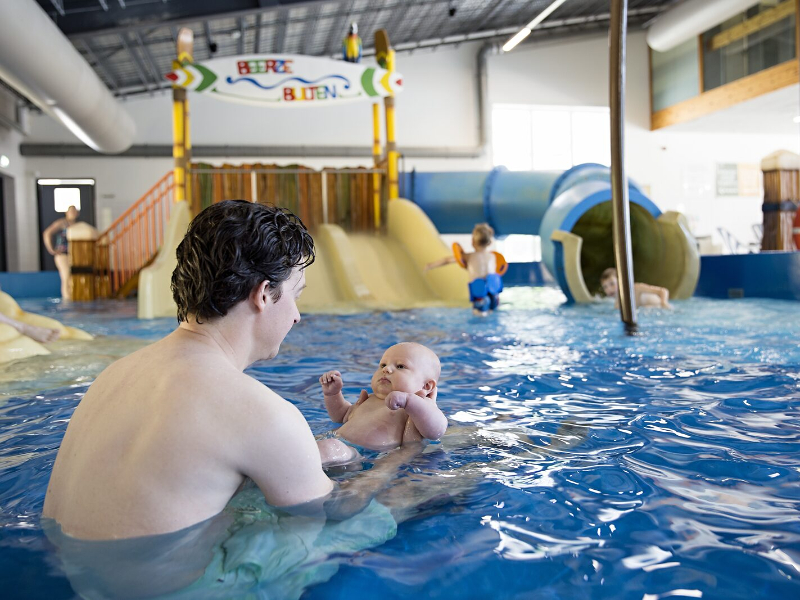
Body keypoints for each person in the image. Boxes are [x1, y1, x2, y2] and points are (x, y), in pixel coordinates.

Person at [43, 200, 336, 540]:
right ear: (264, 295)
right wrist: (393, 466)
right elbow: (324, 524)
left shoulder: (112, 377)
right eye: (295, 296)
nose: (297, 316)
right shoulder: (265, 415)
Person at [317, 342, 447, 466]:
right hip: (338, 446)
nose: (387, 369)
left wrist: (409, 401)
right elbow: (341, 416)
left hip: (363, 456)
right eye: (383, 365)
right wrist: (333, 394)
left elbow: (436, 430)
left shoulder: (415, 409)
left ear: (426, 385)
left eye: (400, 366)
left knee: (329, 447)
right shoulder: (369, 400)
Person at [426, 222, 507, 315]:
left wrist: (430, 266)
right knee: (493, 315)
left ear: (473, 241)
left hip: (479, 295)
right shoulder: (493, 256)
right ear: (489, 242)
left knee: (479, 317)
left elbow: (447, 260)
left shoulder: (469, 257)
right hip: (494, 295)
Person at [42, 205, 79, 301]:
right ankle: (67, 301)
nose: (73, 213)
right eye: (71, 211)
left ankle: (72, 298)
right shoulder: (62, 223)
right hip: (62, 254)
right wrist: (51, 250)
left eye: (75, 211)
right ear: (67, 212)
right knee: (66, 276)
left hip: (74, 255)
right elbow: (47, 233)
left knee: (72, 278)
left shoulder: (77, 225)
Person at [599, 267, 672, 309]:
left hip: (661, 307)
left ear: (621, 281)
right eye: (605, 287)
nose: (609, 289)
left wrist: (664, 303)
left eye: (612, 284)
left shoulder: (635, 288)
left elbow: (663, 291)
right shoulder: (617, 305)